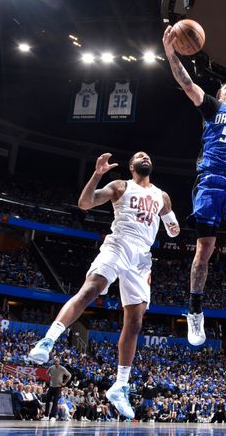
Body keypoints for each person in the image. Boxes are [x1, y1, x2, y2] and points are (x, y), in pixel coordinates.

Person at [28, 152, 180, 419]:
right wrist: (97, 174)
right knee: (91, 289)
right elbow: (85, 203)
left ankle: (120, 386)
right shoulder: (121, 185)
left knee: (135, 321)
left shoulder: (162, 196)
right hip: (119, 244)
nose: (144, 156)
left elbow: (173, 229)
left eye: (147, 155)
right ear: (132, 166)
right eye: (138, 156)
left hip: (142, 258)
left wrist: (172, 224)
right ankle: (48, 340)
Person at [162, 26, 226, 346]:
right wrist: (171, 55)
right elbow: (186, 83)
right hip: (209, 181)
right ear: (220, 96)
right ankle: (195, 310)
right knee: (204, 250)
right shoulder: (211, 107)